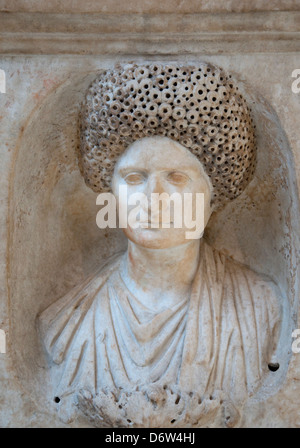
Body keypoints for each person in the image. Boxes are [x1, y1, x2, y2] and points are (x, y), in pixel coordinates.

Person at [38, 64, 282, 427]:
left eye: (177, 178)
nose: (153, 199)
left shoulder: (260, 308)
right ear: (111, 192)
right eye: (135, 177)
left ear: (212, 197)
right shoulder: (65, 324)